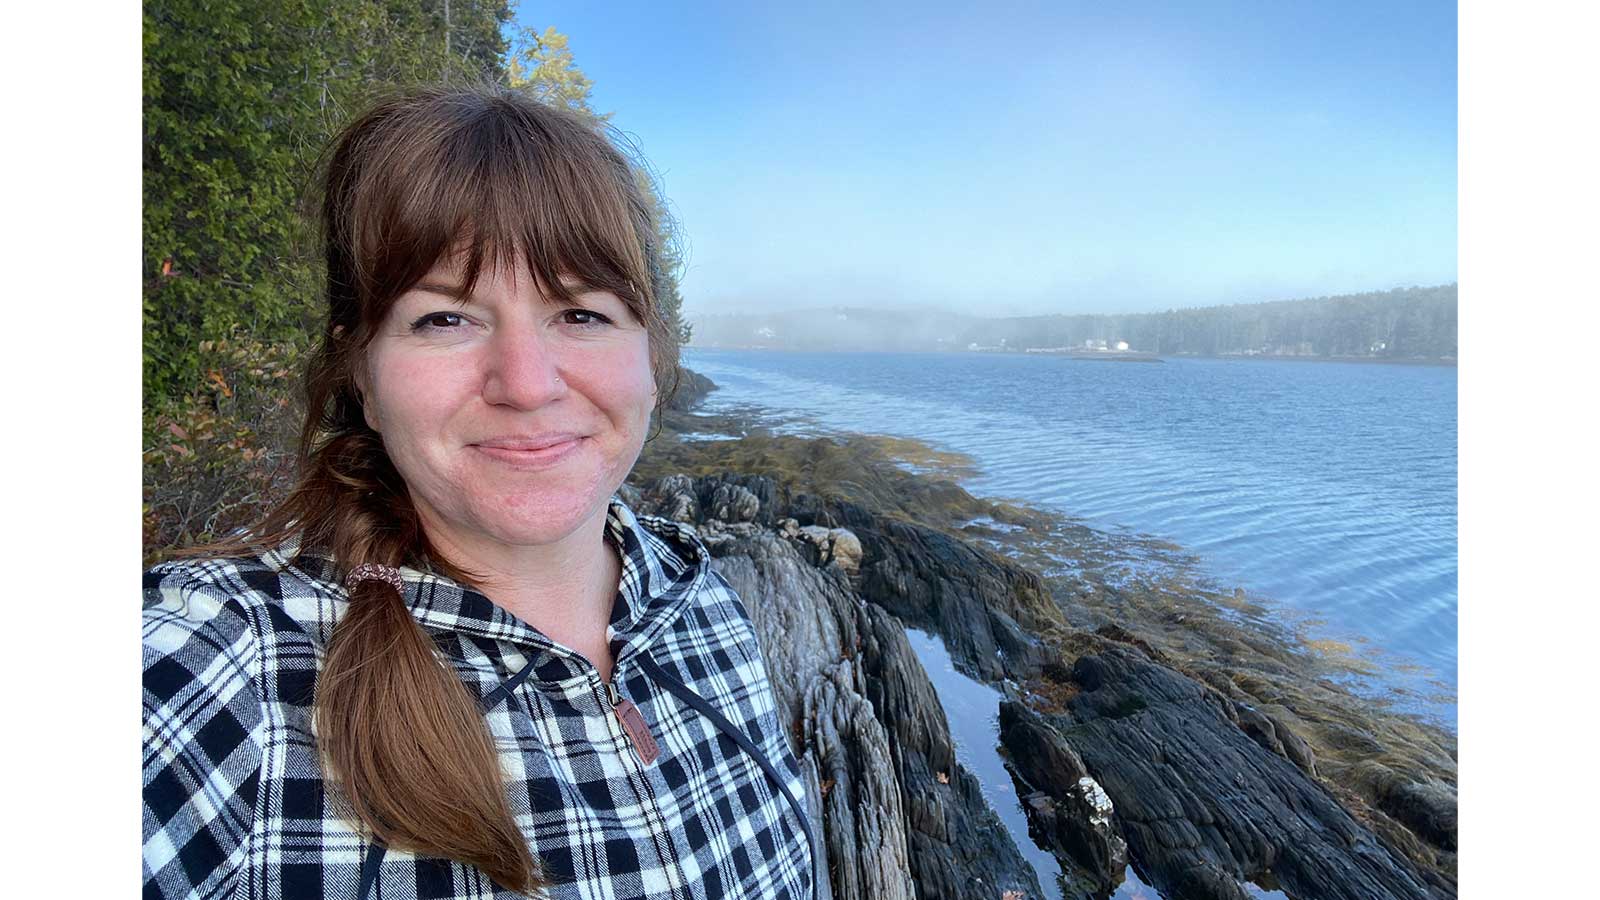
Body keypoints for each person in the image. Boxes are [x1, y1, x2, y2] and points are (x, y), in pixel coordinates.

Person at [142, 84, 816, 900]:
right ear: (360, 368)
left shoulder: (702, 600)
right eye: (444, 319)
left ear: (652, 354)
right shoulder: (229, 666)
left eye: (581, 314)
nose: (527, 386)